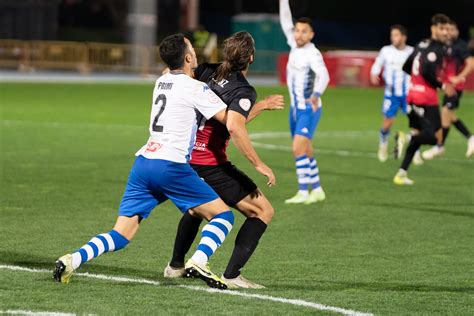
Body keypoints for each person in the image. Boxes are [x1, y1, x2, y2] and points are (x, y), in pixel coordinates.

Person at [52, 34, 235, 290]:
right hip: (170, 166)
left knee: (122, 234)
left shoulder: (160, 81)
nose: (195, 52)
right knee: (223, 216)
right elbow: (230, 119)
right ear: (188, 57)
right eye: (192, 49)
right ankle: (199, 260)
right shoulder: (196, 88)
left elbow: (174, 76)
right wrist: (258, 106)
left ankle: (73, 258)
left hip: (144, 163)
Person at [163, 31, 284, 289]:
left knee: (198, 207)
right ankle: (232, 275)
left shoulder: (205, 70)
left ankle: (175, 266)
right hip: (210, 161)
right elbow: (234, 126)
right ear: (251, 57)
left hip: (187, 156)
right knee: (263, 211)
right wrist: (259, 164)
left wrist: (260, 106)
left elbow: (227, 117)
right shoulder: (242, 89)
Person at [393, 14, 455, 185]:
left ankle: (401, 173)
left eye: (447, 29)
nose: (445, 32)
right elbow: (427, 72)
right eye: (441, 28)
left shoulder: (421, 43)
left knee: (420, 134)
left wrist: (416, 81)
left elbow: (407, 66)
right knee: (436, 138)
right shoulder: (437, 49)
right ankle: (405, 137)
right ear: (433, 28)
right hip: (426, 98)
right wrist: (442, 86)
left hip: (412, 94)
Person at [279, 0, 330, 204]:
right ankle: (317, 189)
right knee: (306, 149)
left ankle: (303, 191)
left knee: (297, 148)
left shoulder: (313, 53)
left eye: (303, 31)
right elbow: (284, 21)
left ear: (311, 35)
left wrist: (316, 95)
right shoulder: (294, 45)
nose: (298, 34)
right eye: (297, 30)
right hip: (295, 110)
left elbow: (324, 75)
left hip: (309, 108)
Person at [422, 20, 474, 159]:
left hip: (456, 87)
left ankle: (441, 146)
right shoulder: (444, 45)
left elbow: (471, 63)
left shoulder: (460, 46)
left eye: (451, 29)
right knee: (448, 116)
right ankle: (468, 139)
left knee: (445, 113)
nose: (448, 32)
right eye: (446, 29)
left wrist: (459, 77)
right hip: (447, 86)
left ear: (457, 30)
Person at [370, 25, 417, 162]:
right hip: (391, 94)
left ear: (403, 37)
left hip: (408, 94)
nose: (393, 38)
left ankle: (415, 151)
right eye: (392, 35)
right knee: (387, 122)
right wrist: (374, 72)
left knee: (415, 123)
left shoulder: (412, 52)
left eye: (396, 35)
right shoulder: (386, 51)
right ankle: (383, 143)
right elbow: (378, 63)